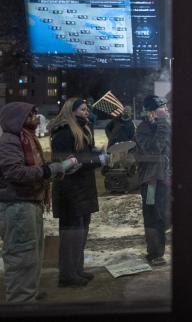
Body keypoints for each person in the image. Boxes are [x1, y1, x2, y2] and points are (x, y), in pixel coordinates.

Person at [0, 103, 79, 302]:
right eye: (31, 114)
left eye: (35, 113)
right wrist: (49, 170)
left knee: (33, 255)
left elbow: (35, 173)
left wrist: (60, 169)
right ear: (17, 118)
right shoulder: (10, 140)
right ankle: (21, 300)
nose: (36, 116)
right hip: (17, 206)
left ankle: (29, 293)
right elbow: (14, 173)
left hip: (28, 203)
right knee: (22, 255)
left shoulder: (27, 138)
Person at [49, 97, 109, 287]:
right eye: (82, 109)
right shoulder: (64, 133)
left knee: (81, 232)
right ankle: (67, 275)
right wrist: (97, 160)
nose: (86, 112)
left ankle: (76, 269)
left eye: (86, 109)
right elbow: (69, 163)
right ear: (71, 111)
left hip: (82, 189)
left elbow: (83, 156)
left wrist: (97, 154)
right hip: (70, 191)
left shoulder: (82, 129)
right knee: (71, 235)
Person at [134, 95, 171, 267]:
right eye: (161, 108)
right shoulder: (143, 129)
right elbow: (155, 148)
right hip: (150, 181)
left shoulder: (164, 126)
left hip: (165, 179)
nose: (166, 111)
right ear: (151, 112)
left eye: (165, 107)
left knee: (164, 215)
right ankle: (155, 253)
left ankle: (158, 249)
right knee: (152, 214)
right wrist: (163, 124)